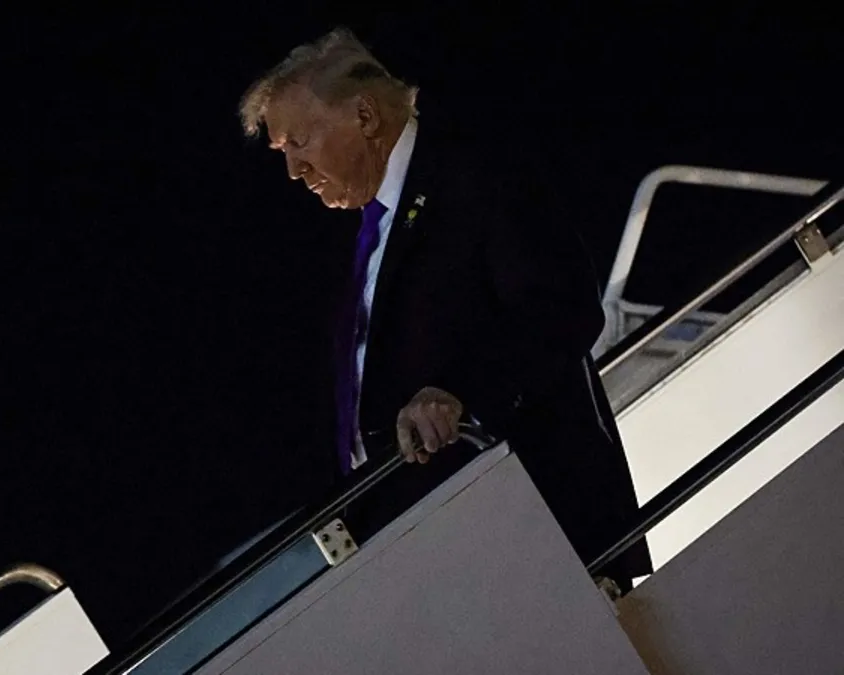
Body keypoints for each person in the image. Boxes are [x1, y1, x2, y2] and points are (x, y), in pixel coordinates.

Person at [237, 27, 651, 589]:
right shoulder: (364, 239)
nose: (293, 171)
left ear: (365, 116)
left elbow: (562, 308)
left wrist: (458, 393)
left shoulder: (476, 172)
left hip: (528, 528)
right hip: (426, 548)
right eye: (283, 154)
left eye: (299, 142)